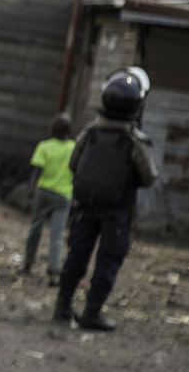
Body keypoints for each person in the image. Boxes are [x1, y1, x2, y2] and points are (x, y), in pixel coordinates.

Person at [53, 68, 158, 331]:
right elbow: (148, 177)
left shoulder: (89, 132)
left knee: (76, 255)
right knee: (108, 260)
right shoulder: (134, 141)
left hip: (85, 206)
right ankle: (91, 312)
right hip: (117, 212)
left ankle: (62, 307)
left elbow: (74, 164)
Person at [24, 113, 75, 285]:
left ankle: (27, 263)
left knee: (35, 228)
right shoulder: (73, 148)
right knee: (57, 234)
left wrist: (31, 191)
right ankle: (54, 272)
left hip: (44, 192)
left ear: (52, 128)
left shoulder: (44, 146)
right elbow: (77, 170)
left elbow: (36, 170)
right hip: (63, 196)